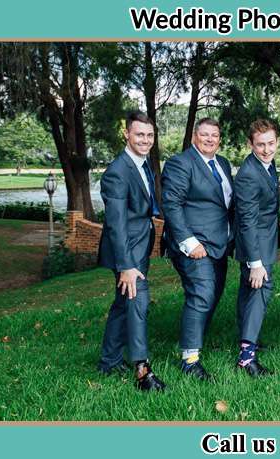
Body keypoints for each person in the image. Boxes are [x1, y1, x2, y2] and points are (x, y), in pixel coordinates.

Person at [161, 118, 235, 382]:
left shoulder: (223, 164)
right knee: (202, 293)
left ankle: (196, 337)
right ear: (194, 137)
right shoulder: (180, 164)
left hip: (220, 244)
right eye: (204, 134)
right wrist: (189, 242)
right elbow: (171, 205)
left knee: (213, 295)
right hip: (194, 245)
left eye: (215, 135)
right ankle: (190, 359)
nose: (210, 139)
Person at [97, 111, 165, 391]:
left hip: (139, 245)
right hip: (125, 251)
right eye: (139, 134)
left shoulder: (142, 163)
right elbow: (116, 224)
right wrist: (126, 266)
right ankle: (142, 370)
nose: (145, 140)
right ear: (126, 133)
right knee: (138, 303)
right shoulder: (117, 171)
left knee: (122, 305)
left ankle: (109, 361)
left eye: (149, 135)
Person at [233, 119, 280, 377]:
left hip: (263, 239)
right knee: (259, 292)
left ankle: (246, 339)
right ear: (250, 144)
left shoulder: (266, 165)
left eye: (271, 143)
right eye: (260, 144)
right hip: (256, 244)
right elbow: (247, 221)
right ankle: (246, 357)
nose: (266, 149)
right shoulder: (249, 175)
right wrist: (256, 262)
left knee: (249, 292)